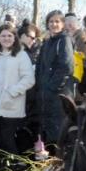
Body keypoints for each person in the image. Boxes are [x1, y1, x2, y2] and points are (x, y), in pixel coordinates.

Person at [0, 25, 35, 163]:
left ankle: (18, 167)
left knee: (7, 139)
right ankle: (6, 168)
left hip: (12, 104)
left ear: (15, 38)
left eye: (10, 35)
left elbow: (29, 79)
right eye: (3, 35)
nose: (6, 38)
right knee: (3, 139)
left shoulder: (21, 55)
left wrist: (12, 91)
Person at [34, 10, 74, 149]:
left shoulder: (64, 40)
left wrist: (51, 88)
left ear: (63, 24)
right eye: (51, 21)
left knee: (59, 131)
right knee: (47, 130)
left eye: (57, 21)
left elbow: (66, 67)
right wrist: (40, 86)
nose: (54, 24)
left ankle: (59, 164)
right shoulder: (47, 42)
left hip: (59, 94)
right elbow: (40, 66)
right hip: (45, 94)